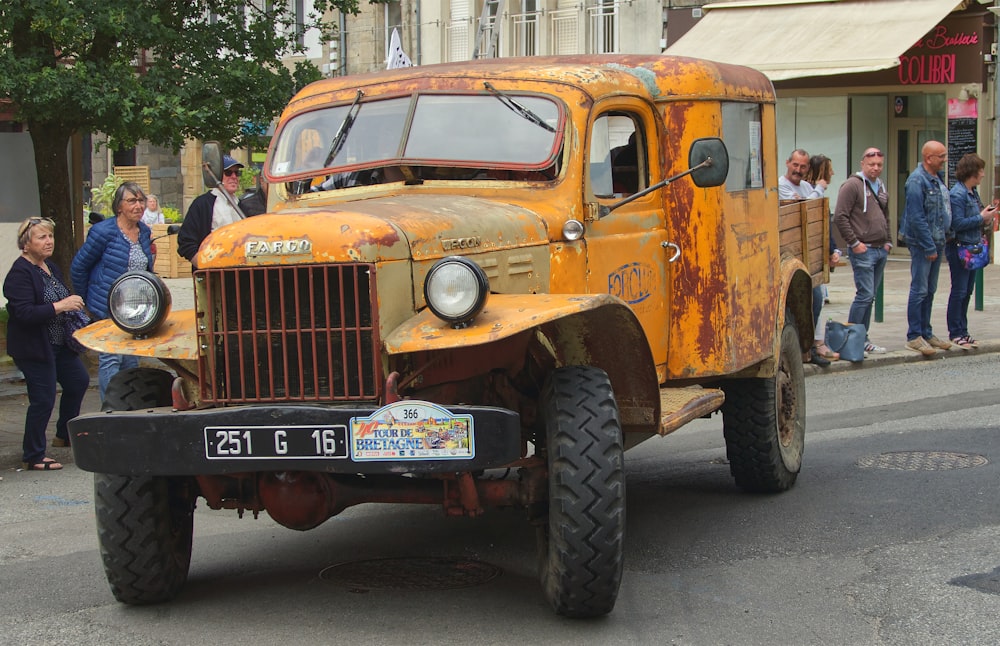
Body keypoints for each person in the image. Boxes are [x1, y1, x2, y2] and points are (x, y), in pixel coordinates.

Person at [3, 217, 90, 471]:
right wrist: (60, 306)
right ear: (25, 244)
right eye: (41, 237)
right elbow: (24, 313)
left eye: (50, 236)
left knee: (78, 381)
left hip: (59, 343)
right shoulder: (19, 273)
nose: (49, 241)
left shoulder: (49, 267)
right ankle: (33, 454)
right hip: (33, 346)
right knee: (43, 398)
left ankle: (64, 433)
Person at [71, 181, 154, 400]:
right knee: (111, 358)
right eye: (131, 201)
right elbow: (79, 267)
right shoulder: (103, 232)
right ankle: (109, 410)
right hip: (107, 307)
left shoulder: (144, 231)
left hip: (135, 311)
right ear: (119, 206)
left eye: (141, 200)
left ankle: (129, 407)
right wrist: (88, 303)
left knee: (130, 359)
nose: (138, 206)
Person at [778, 149, 837, 365]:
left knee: (817, 297)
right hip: (789, 252)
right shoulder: (781, 186)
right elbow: (802, 207)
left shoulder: (804, 187)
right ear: (788, 163)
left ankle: (810, 345)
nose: (798, 170)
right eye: (795, 165)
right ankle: (804, 347)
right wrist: (818, 190)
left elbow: (813, 212)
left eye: (803, 167)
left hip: (807, 255)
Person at [834, 147, 892, 356]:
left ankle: (863, 338)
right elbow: (840, 215)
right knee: (864, 295)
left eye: (879, 165)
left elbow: (886, 214)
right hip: (864, 249)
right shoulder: (852, 185)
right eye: (872, 165)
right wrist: (854, 242)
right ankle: (853, 338)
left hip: (880, 248)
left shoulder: (881, 186)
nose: (876, 168)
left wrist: (889, 241)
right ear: (862, 164)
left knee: (870, 296)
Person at [901, 140, 952, 357]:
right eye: (941, 156)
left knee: (930, 290)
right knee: (920, 289)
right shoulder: (916, 181)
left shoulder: (935, 178)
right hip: (923, 244)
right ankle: (914, 336)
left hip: (938, 241)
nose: (944, 159)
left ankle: (926, 332)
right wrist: (929, 245)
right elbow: (916, 217)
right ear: (928, 158)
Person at [946, 153, 996, 349]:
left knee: (967, 291)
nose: (983, 174)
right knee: (958, 291)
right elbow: (957, 224)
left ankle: (963, 331)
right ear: (972, 172)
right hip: (960, 247)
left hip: (972, 247)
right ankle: (955, 331)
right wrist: (980, 218)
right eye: (981, 170)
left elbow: (976, 217)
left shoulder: (972, 192)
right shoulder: (958, 194)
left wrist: (986, 217)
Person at [177, 155, 245, 263]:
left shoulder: (242, 205)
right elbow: (186, 241)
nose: (234, 177)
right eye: (228, 173)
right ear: (216, 175)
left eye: (237, 173)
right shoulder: (202, 204)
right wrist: (202, 265)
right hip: (214, 271)